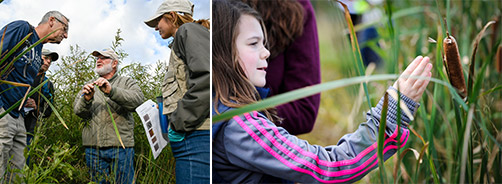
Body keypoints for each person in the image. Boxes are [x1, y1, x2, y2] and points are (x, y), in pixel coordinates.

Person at [211, 0, 432, 183]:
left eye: (264, 43)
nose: (267, 52)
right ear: (222, 52)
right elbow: (328, 166)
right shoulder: (243, 127)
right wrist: (392, 113)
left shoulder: (216, 109)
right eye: (253, 44)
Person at [0, 11, 69, 182]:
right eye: (65, 28)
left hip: (17, 117)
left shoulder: (38, 51)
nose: (66, 35)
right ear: (52, 21)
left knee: (17, 176)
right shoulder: (22, 30)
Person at [144, 0, 210, 183]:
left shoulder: (187, 31)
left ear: (172, 16)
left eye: (158, 21)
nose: (156, 27)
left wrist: (179, 123)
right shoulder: (185, 38)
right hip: (191, 134)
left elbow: (207, 78)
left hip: (196, 135)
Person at [239, 0, 321, 135]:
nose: (266, 53)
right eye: (253, 43)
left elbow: (303, 110)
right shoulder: (220, 10)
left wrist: (238, 114)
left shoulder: (296, 9)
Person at [73, 48, 144, 184]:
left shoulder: (127, 82)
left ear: (114, 63)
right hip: (93, 148)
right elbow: (78, 111)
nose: (98, 60)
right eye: (97, 58)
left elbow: (137, 101)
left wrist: (112, 91)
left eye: (104, 58)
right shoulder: (89, 86)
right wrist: (86, 100)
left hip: (121, 147)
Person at [24, 49, 58, 166]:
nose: (48, 62)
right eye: (45, 58)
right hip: (8, 124)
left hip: (29, 130)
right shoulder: (22, 75)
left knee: (23, 164)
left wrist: (36, 107)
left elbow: (49, 110)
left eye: (50, 60)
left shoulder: (47, 84)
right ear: (37, 57)